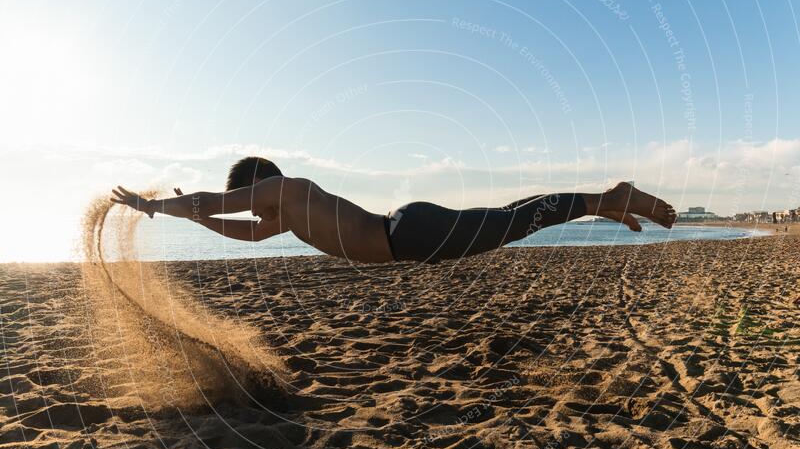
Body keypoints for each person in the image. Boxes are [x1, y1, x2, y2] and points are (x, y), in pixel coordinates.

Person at [111, 156, 676, 264]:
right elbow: (248, 235)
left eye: (249, 196)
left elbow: (212, 202)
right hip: (409, 233)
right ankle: (605, 204)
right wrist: (196, 215)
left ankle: (607, 198)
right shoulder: (288, 209)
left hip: (410, 235)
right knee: (509, 218)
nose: (252, 207)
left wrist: (151, 205)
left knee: (511, 223)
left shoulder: (287, 190)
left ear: (261, 184)